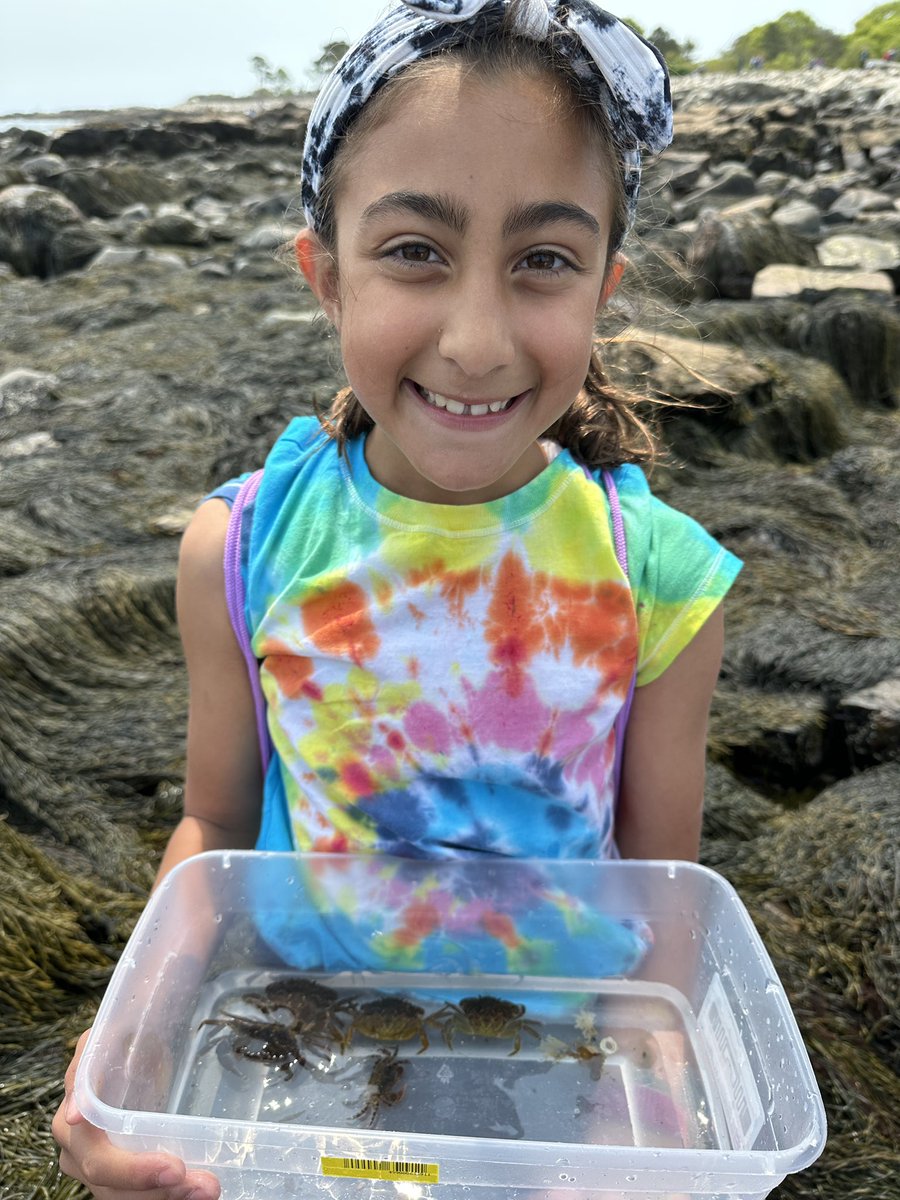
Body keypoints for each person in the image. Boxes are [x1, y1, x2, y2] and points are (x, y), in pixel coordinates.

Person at [53, 1, 742, 1195]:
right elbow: (216, 825)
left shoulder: (659, 573)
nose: (475, 341)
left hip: (552, 1057)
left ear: (603, 288)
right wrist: (134, 1039)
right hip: (298, 1036)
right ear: (325, 274)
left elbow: (659, 880)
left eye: (542, 262)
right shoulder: (244, 545)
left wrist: (651, 1091)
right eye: (416, 251)